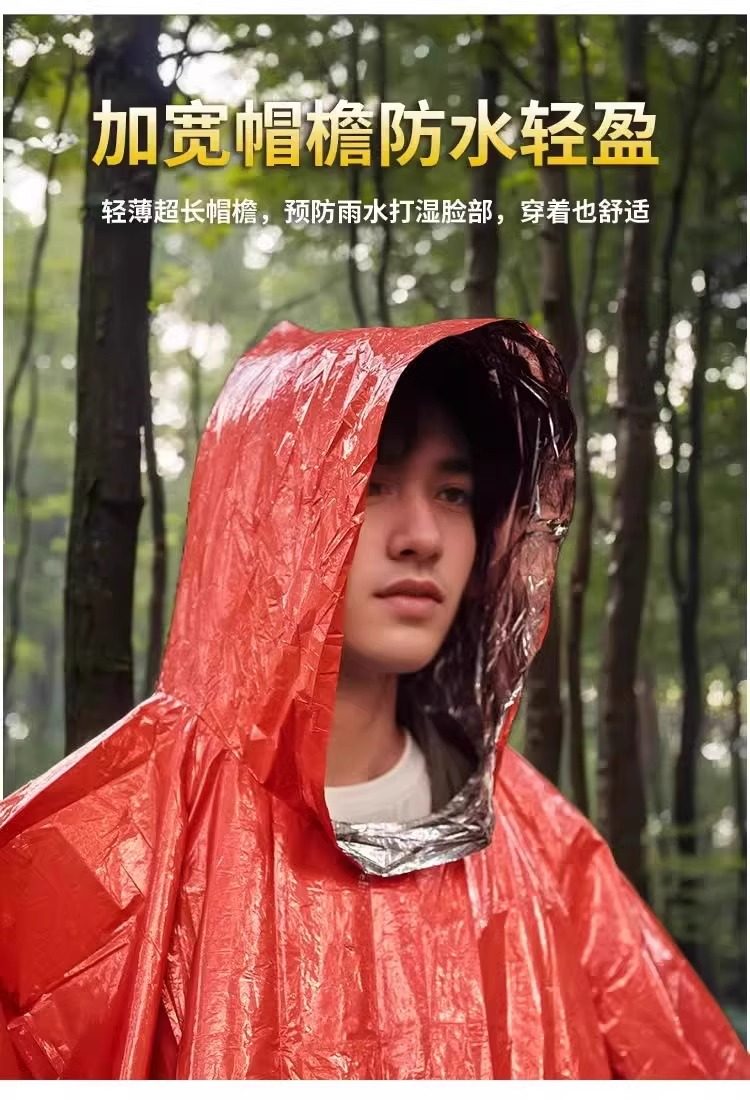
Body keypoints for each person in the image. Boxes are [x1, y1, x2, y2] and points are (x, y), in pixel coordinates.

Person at [0, 318, 747, 1080]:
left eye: (453, 493)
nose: (422, 536)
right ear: (271, 518)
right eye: (370, 482)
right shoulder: (98, 850)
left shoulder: (543, 850)